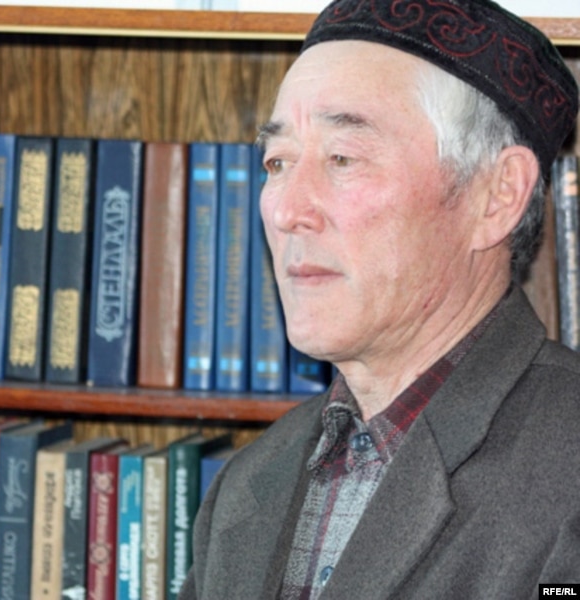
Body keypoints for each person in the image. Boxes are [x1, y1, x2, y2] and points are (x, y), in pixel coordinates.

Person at [178, 0, 580, 598]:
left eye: (342, 158)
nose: (287, 210)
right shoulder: (249, 481)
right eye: (277, 162)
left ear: (496, 196)